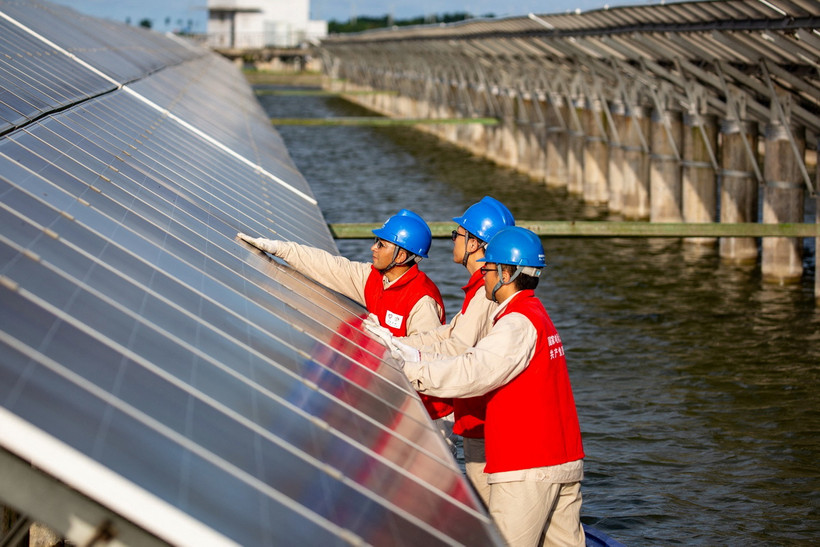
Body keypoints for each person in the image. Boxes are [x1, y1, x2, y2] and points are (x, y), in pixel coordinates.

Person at [392, 226, 585, 547]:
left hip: (526, 465)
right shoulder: (537, 314)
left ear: (507, 274)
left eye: (488, 270)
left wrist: (408, 370)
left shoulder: (516, 323)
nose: (483, 276)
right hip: (562, 459)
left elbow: (472, 372)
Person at [365, 196, 514, 507]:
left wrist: (405, 358)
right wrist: (397, 344)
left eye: (458, 234)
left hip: (484, 420)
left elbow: (455, 347)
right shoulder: (481, 290)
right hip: (476, 417)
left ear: (474, 244)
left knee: (492, 512)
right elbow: (448, 334)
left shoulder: (485, 295)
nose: (453, 239)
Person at [237, 209, 452, 420]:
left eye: (381, 244)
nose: (373, 248)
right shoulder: (374, 278)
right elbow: (329, 266)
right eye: (376, 241)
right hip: (395, 397)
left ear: (401, 256)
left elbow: (428, 357)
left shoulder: (421, 300)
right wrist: (280, 249)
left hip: (429, 413)